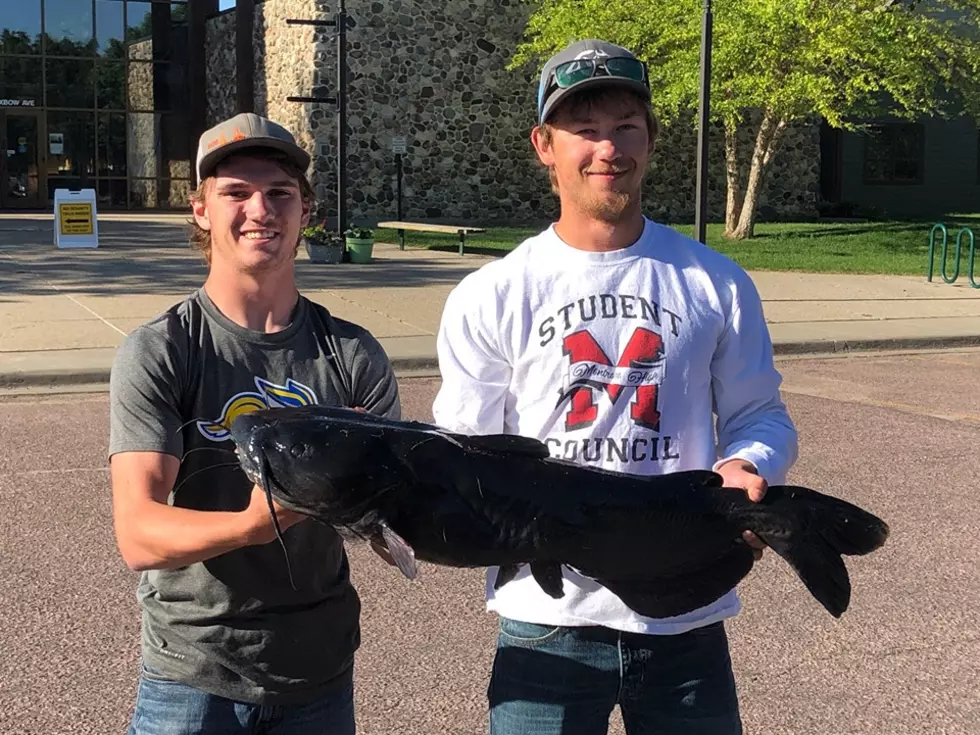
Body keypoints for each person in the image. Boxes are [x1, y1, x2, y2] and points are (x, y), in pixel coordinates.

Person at [431, 39, 799, 734]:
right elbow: (466, 456)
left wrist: (749, 463)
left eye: (626, 124)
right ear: (544, 144)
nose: (608, 148)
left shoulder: (713, 281)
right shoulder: (494, 293)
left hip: (683, 604)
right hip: (546, 617)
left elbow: (763, 414)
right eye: (585, 129)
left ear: (652, 138)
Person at [108, 112, 400, 734]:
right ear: (200, 211)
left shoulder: (352, 354)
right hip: (192, 676)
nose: (260, 209)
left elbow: (390, 515)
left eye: (280, 193)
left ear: (306, 211)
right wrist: (250, 525)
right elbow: (138, 532)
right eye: (236, 193)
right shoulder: (164, 349)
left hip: (319, 671)